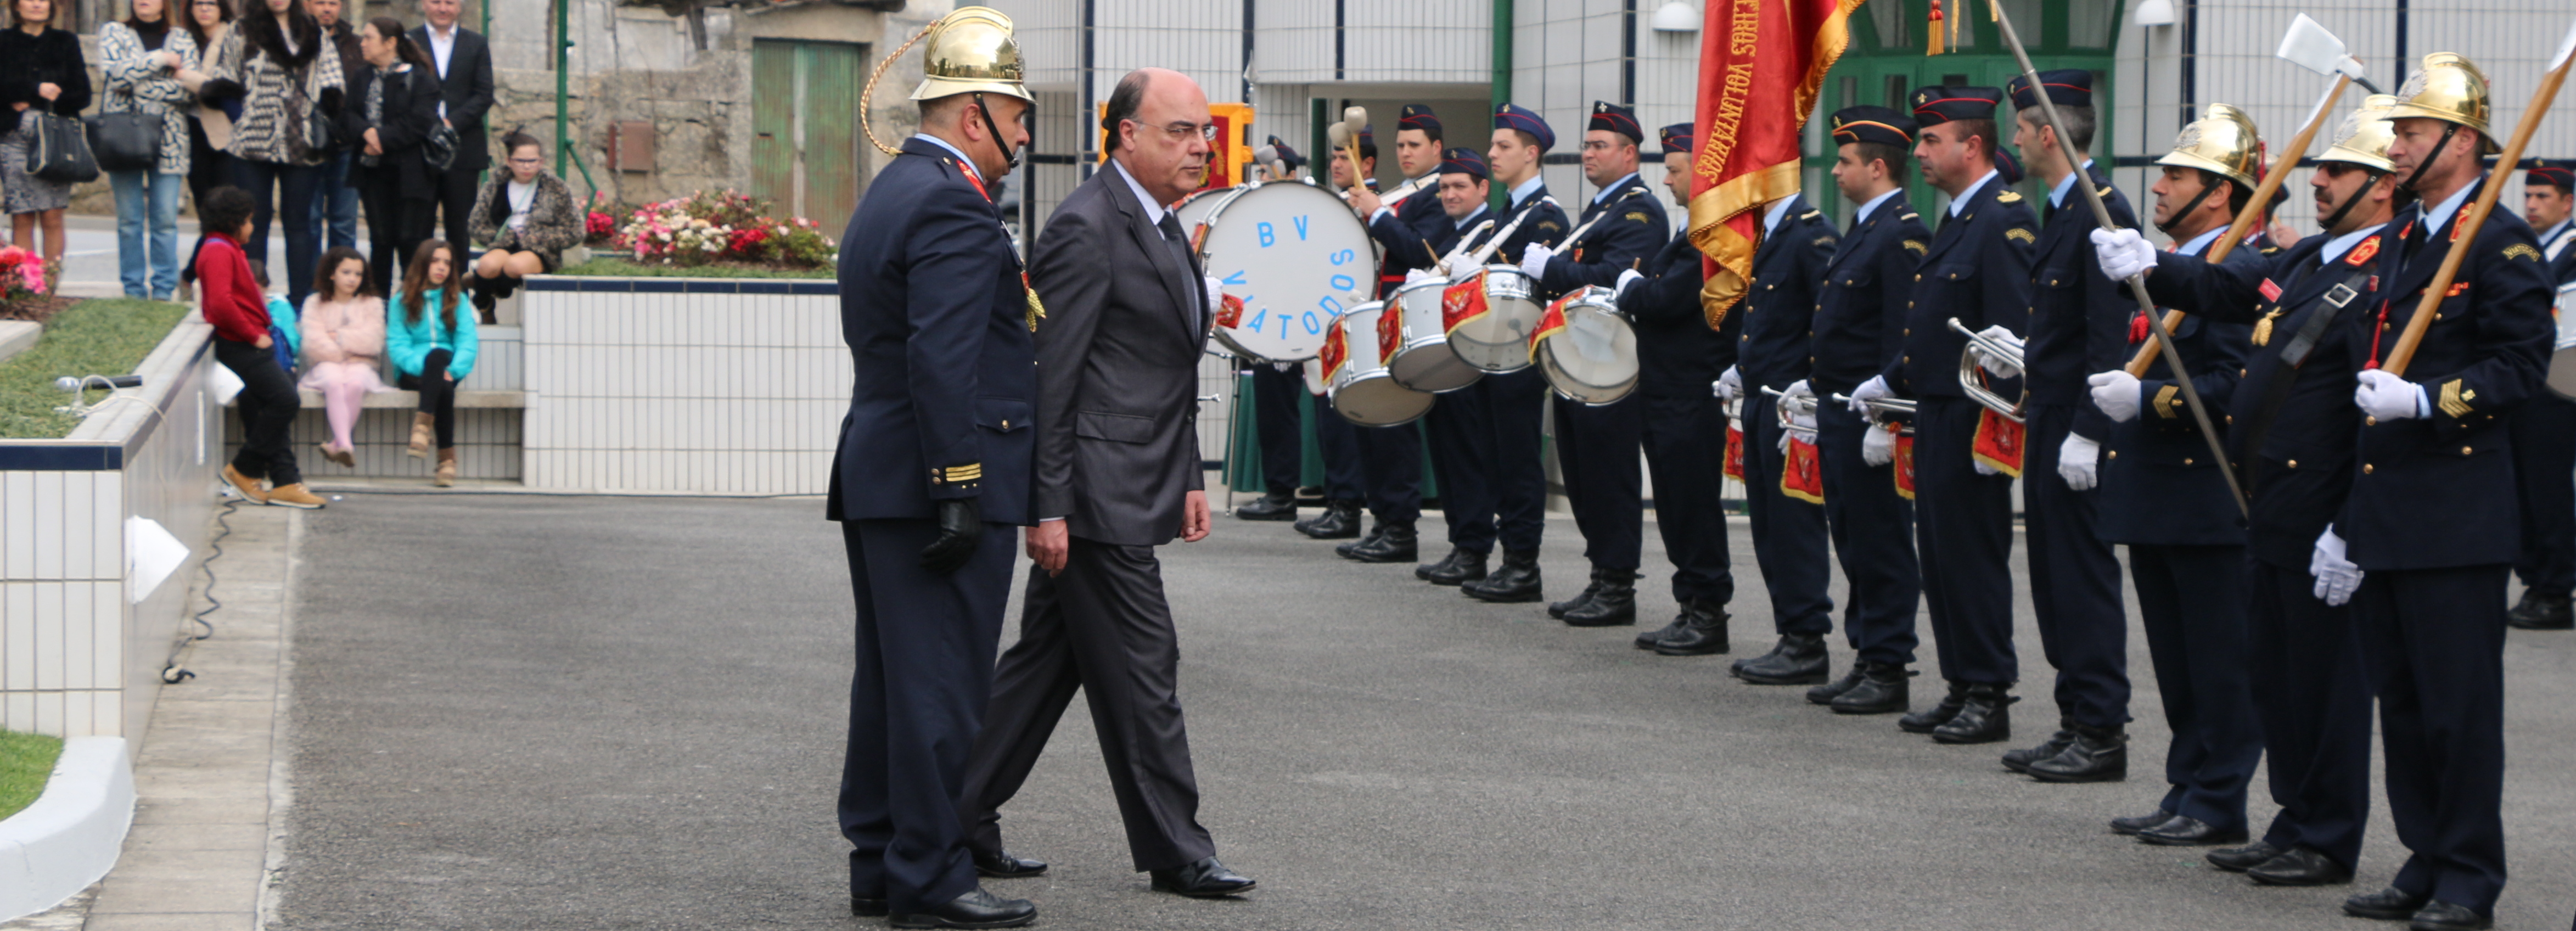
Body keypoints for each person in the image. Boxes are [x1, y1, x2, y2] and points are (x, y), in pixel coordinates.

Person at [2098, 93, 2410, 890]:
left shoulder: (2387, 267)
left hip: (2323, 498)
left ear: (2381, 186)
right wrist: (2152, 265)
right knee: (2278, 678)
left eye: (2338, 170)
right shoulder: (2308, 260)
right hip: (2271, 495)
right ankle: (2292, 820)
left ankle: (2329, 834)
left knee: (2325, 686)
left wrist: (2349, 520)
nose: (2319, 180)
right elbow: (2235, 291)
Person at [961, 65, 1257, 904]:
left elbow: (1156, 368)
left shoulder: (1160, 223)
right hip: (1091, 494)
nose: (1200, 145)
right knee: (1143, 662)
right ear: (1126, 135)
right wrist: (1045, 504)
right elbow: (1050, 375)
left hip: (1135, 477)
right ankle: (1177, 849)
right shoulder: (1088, 226)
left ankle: (954, 812)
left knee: (1044, 668)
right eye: (1179, 131)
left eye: (1204, 131)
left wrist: (1190, 474)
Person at [2321, 54, 2547, 930]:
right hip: (2388, 507)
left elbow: (2521, 367)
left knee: (2458, 711)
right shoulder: (2413, 236)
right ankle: (2423, 855)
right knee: (2405, 705)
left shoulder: (2499, 240)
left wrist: (2426, 400)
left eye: (2412, 132)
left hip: (2456, 513)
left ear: (2461, 141)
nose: (2398, 145)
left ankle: (2466, 876)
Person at [825, 9, 1040, 926]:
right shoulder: (952, 200)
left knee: (893, 682)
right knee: (942, 685)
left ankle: (881, 858)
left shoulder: (892, 189)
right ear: (970, 116)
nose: (1025, 134)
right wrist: (958, 485)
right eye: (1016, 115)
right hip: (937, 476)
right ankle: (930, 875)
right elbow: (940, 357)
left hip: (882, 470)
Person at [2085, 105, 2265, 845]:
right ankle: (2186, 785)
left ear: (2220, 193)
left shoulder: (2242, 269)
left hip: (2205, 493)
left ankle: (2219, 797)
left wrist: (2151, 400)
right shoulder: (2172, 264)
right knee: (2178, 663)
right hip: (2157, 494)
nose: (2158, 187)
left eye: (2177, 176)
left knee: (2219, 663)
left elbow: (2237, 385)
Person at [1847, 86, 2035, 745]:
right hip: (1932, 405)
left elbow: (2009, 334)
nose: (1919, 152)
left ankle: (1989, 689)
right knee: (1941, 554)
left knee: (1972, 554)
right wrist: (1891, 382)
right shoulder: (1959, 217)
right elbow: (1931, 326)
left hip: (1971, 413)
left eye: (1930, 141)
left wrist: (1995, 420)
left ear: (1971, 145)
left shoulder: (2003, 217)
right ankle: (1961, 682)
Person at [1988, 72, 2136, 784]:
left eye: (2018, 127)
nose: (2012, 139)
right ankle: (2075, 715)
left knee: (2080, 575)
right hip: (2048, 412)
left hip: (2078, 421)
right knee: (2051, 575)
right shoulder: (2063, 207)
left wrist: (2089, 430)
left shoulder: (2099, 209)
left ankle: (2103, 731)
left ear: (2048, 134)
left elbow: (2111, 336)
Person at [1517, 102, 1669, 627]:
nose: (1587, 154)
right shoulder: (1601, 209)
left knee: (1609, 477)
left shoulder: (1638, 210)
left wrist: (1553, 267)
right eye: (1585, 145)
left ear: (1629, 155)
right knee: (1583, 477)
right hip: (1580, 359)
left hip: (1611, 366)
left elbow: (1613, 276)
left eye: (1599, 145)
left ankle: (1618, 583)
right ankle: (1601, 573)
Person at [1799, 107, 1928, 710]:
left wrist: (1890, 418)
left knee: (1880, 540)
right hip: (1840, 408)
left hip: (1870, 415)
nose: (1838, 170)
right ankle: (1867, 652)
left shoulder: (1901, 231)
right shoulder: (1863, 227)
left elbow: (1902, 335)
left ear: (1877, 167)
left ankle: (1888, 663)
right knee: (1852, 537)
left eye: (1847, 161)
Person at [1705, 170, 1836, 669]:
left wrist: (1815, 384)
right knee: (1766, 524)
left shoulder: (1809, 233)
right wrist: (1742, 368)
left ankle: (1807, 638)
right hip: (1762, 397)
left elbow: (1827, 318)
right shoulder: (1767, 234)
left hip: (1792, 405)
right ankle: (1791, 631)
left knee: (1792, 526)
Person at [1619, 123, 1742, 657]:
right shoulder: (1690, 232)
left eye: (1674, 169)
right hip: (1665, 389)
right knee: (1672, 502)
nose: (1666, 179)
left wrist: (1632, 287)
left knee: (1691, 504)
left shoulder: (1715, 238)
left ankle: (1708, 609)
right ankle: (1690, 600)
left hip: (1690, 393)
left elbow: (1667, 299)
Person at [1457, 103, 1568, 605]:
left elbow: (1534, 289)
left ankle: (1523, 564)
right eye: (1493, 145)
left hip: (1519, 356)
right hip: (1490, 351)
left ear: (1531, 153)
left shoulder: (1544, 216)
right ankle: (1508, 560)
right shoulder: (1507, 214)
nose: (1492, 154)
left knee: (1520, 464)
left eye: (1503, 147)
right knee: (1496, 460)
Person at [1333, 111, 1449, 564]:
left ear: (1436, 150)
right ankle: (1382, 519)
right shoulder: (1399, 194)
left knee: (1396, 428)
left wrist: (1376, 215)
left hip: (1407, 321)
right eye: (1401, 146)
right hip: (1378, 318)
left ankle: (1400, 528)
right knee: (1374, 423)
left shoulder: (1438, 193)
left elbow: (1422, 251)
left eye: (1415, 146)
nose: (1405, 154)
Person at [200, 0, 346, 309]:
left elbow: (334, 80)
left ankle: (302, 303)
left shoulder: (312, 29)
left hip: (302, 142)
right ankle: (252, 298)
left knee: (300, 224)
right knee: (254, 223)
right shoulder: (240, 29)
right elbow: (226, 80)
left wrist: (321, 115)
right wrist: (242, 119)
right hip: (252, 142)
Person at [1294, 127, 1394, 547]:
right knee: (1327, 419)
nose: (1335, 164)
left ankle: (1349, 504)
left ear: (1366, 164)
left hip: (1357, 319)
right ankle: (1338, 501)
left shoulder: (1381, 205)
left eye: (1343, 157)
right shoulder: (1336, 204)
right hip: (1327, 318)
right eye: (1333, 158)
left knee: (1346, 418)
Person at [203, 186, 328, 509]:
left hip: (250, 343)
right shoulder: (217, 250)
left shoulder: (228, 248)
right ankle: (244, 469)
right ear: (234, 221)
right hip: (242, 346)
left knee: (272, 408)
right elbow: (219, 303)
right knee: (286, 401)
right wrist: (252, 334)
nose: (252, 226)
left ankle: (286, 481)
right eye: (248, 220)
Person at [1413, 147, 1503, 586]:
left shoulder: (1492, 230)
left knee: (1467, 457)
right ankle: (1460, 542)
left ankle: (1474, 546)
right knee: (1448, 455)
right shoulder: (1453, 234)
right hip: (1444, 358)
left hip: (1472, 361)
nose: (1449, 195)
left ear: (1482, 188)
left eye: (1458, 187)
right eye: (1444, 187)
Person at [2507, 160, 2576, 630]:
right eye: (2528, 196)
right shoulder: (2529, 245)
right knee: (2524, 487)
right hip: (2528, 378)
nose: (2531, 205)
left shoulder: (2569, 250)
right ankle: (2536, 580)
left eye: (2542, 198)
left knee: (2548, 489)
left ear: (2568, 204)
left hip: (2556, 379)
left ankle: (2553, 590)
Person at [100, 0, 206, 302]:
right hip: (124, 138)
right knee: (129, 220)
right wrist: (160, 60)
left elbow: (187, 89)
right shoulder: (114, 32)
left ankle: (163, 291)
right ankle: (133, 291)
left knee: (165, 220)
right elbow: (114, 76)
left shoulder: (183, 38)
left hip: (170, 140)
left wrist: (136, 83)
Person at [340, 16, 437, 293]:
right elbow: (348, 114)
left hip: (411, 173)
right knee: (380, 241)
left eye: (370, 37)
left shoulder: (419, 77)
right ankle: (377, 302)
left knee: (410, 240)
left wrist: (380, 137)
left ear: (390, 43)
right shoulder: (362, 75)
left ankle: (411, 304)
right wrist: (367, 133)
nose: (363, 43)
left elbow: (420, 121)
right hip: (373, 170)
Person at [0, 0, 94, 283]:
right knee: (22, 215)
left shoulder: (66, 41)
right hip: (13, 140)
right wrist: (34, 88)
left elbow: (82, 94)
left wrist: (39, 97)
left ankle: (50, 285)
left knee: (53, 215)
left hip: (56, 142)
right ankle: (27, 285)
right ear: (16, 6)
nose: (37, 4)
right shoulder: (4, 41)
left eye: (43, 0)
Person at [384, 239, 475, 488]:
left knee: (439, 361)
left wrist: (454, 370)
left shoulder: (458, 300)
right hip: (411, 372)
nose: (441, 268)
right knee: (436, 368)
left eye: (447, 263)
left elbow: (467, 342)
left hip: (447, 368)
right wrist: (424, 366)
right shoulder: (400, 301)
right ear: (423, 264)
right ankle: (447, 461)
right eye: (435, 261)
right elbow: (397, 345)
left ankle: (421, 429)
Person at [411, 0, 493, 258]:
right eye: (436, 2)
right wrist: (428, 124)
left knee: (460, 227)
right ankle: (419, 291)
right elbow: (402, 90)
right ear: (424, 4)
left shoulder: (476, 43)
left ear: (460, 7)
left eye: (450, 2)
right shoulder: (408, 41)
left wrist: (449, 124)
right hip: (419, 147)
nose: (443, 9)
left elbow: (484, 94)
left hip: (463, 148)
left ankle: (456, 293)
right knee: (418, 226)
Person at [465, 132, 581, 315]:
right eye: (520, 161)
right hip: (504, 244)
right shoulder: (496, 185)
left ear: (541, 162)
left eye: (532, 161)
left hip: (539, 250)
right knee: (488, 265)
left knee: (514, 266)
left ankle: (487, 286)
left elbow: (575, 230)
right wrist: (502, 236)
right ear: (509, 161)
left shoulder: (555, 188)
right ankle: (484, 302)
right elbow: (475, 224)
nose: (526, 167)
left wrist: (539, 237)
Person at [298, 245, 389, 468]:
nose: (353, 279)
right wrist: (349, 352)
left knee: (356, 383)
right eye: (346, 273)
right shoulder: (315, 302)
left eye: (358, 274)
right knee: (334, 380)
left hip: (362, 367)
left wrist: (338, 336)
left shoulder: (373, 304)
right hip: (325, 366)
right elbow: (313, 344)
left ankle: (338, 444)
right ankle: (346, 446)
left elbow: (373, 342)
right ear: (332, 273)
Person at [305, 0, 362, 251]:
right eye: (320, 2)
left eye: (333, 3)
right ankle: (312, 284)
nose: (327, 9)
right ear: (307, 4)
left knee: (344, 222)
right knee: (310, 220)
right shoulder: (296, 41)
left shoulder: (356, 45)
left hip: (346, 145)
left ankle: (342, 282)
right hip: (308, 144)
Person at [179, 0, 235, 227]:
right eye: (199, 3)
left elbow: (226, 86)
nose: (205, 8)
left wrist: (185, 76)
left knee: (225, 202)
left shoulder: (235, 39)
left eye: (211, 3)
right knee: (203, 200)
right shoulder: (183, 40)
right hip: (192, 126)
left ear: (222, 8)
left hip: (226, 130)